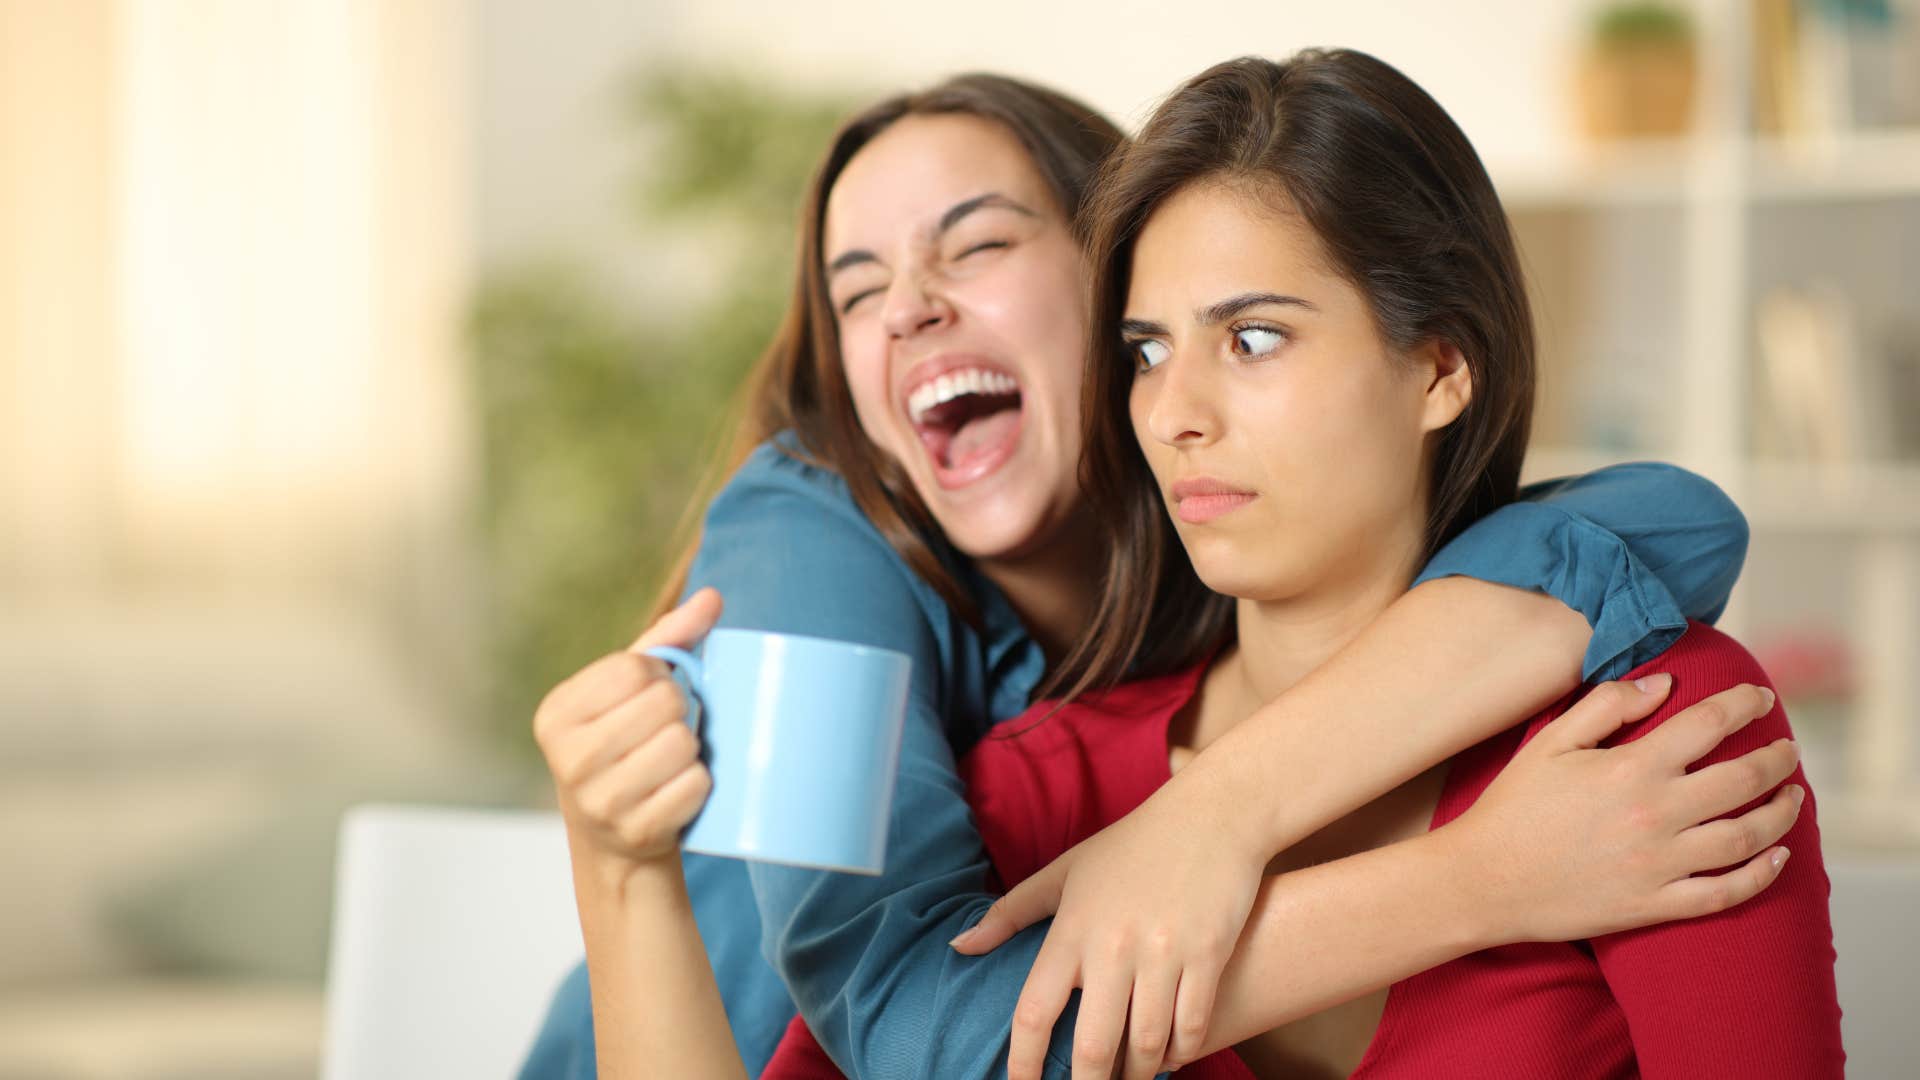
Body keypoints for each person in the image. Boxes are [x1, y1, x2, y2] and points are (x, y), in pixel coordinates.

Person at [520, 72, 1767, 1080]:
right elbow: (921, 1033)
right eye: (858, 292)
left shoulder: (1210, 552)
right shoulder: (808, 555)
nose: (906, 310)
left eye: (978, 244)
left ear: (1114, 271)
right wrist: (1475, 882)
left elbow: (1671, 524)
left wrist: (1213, 811)